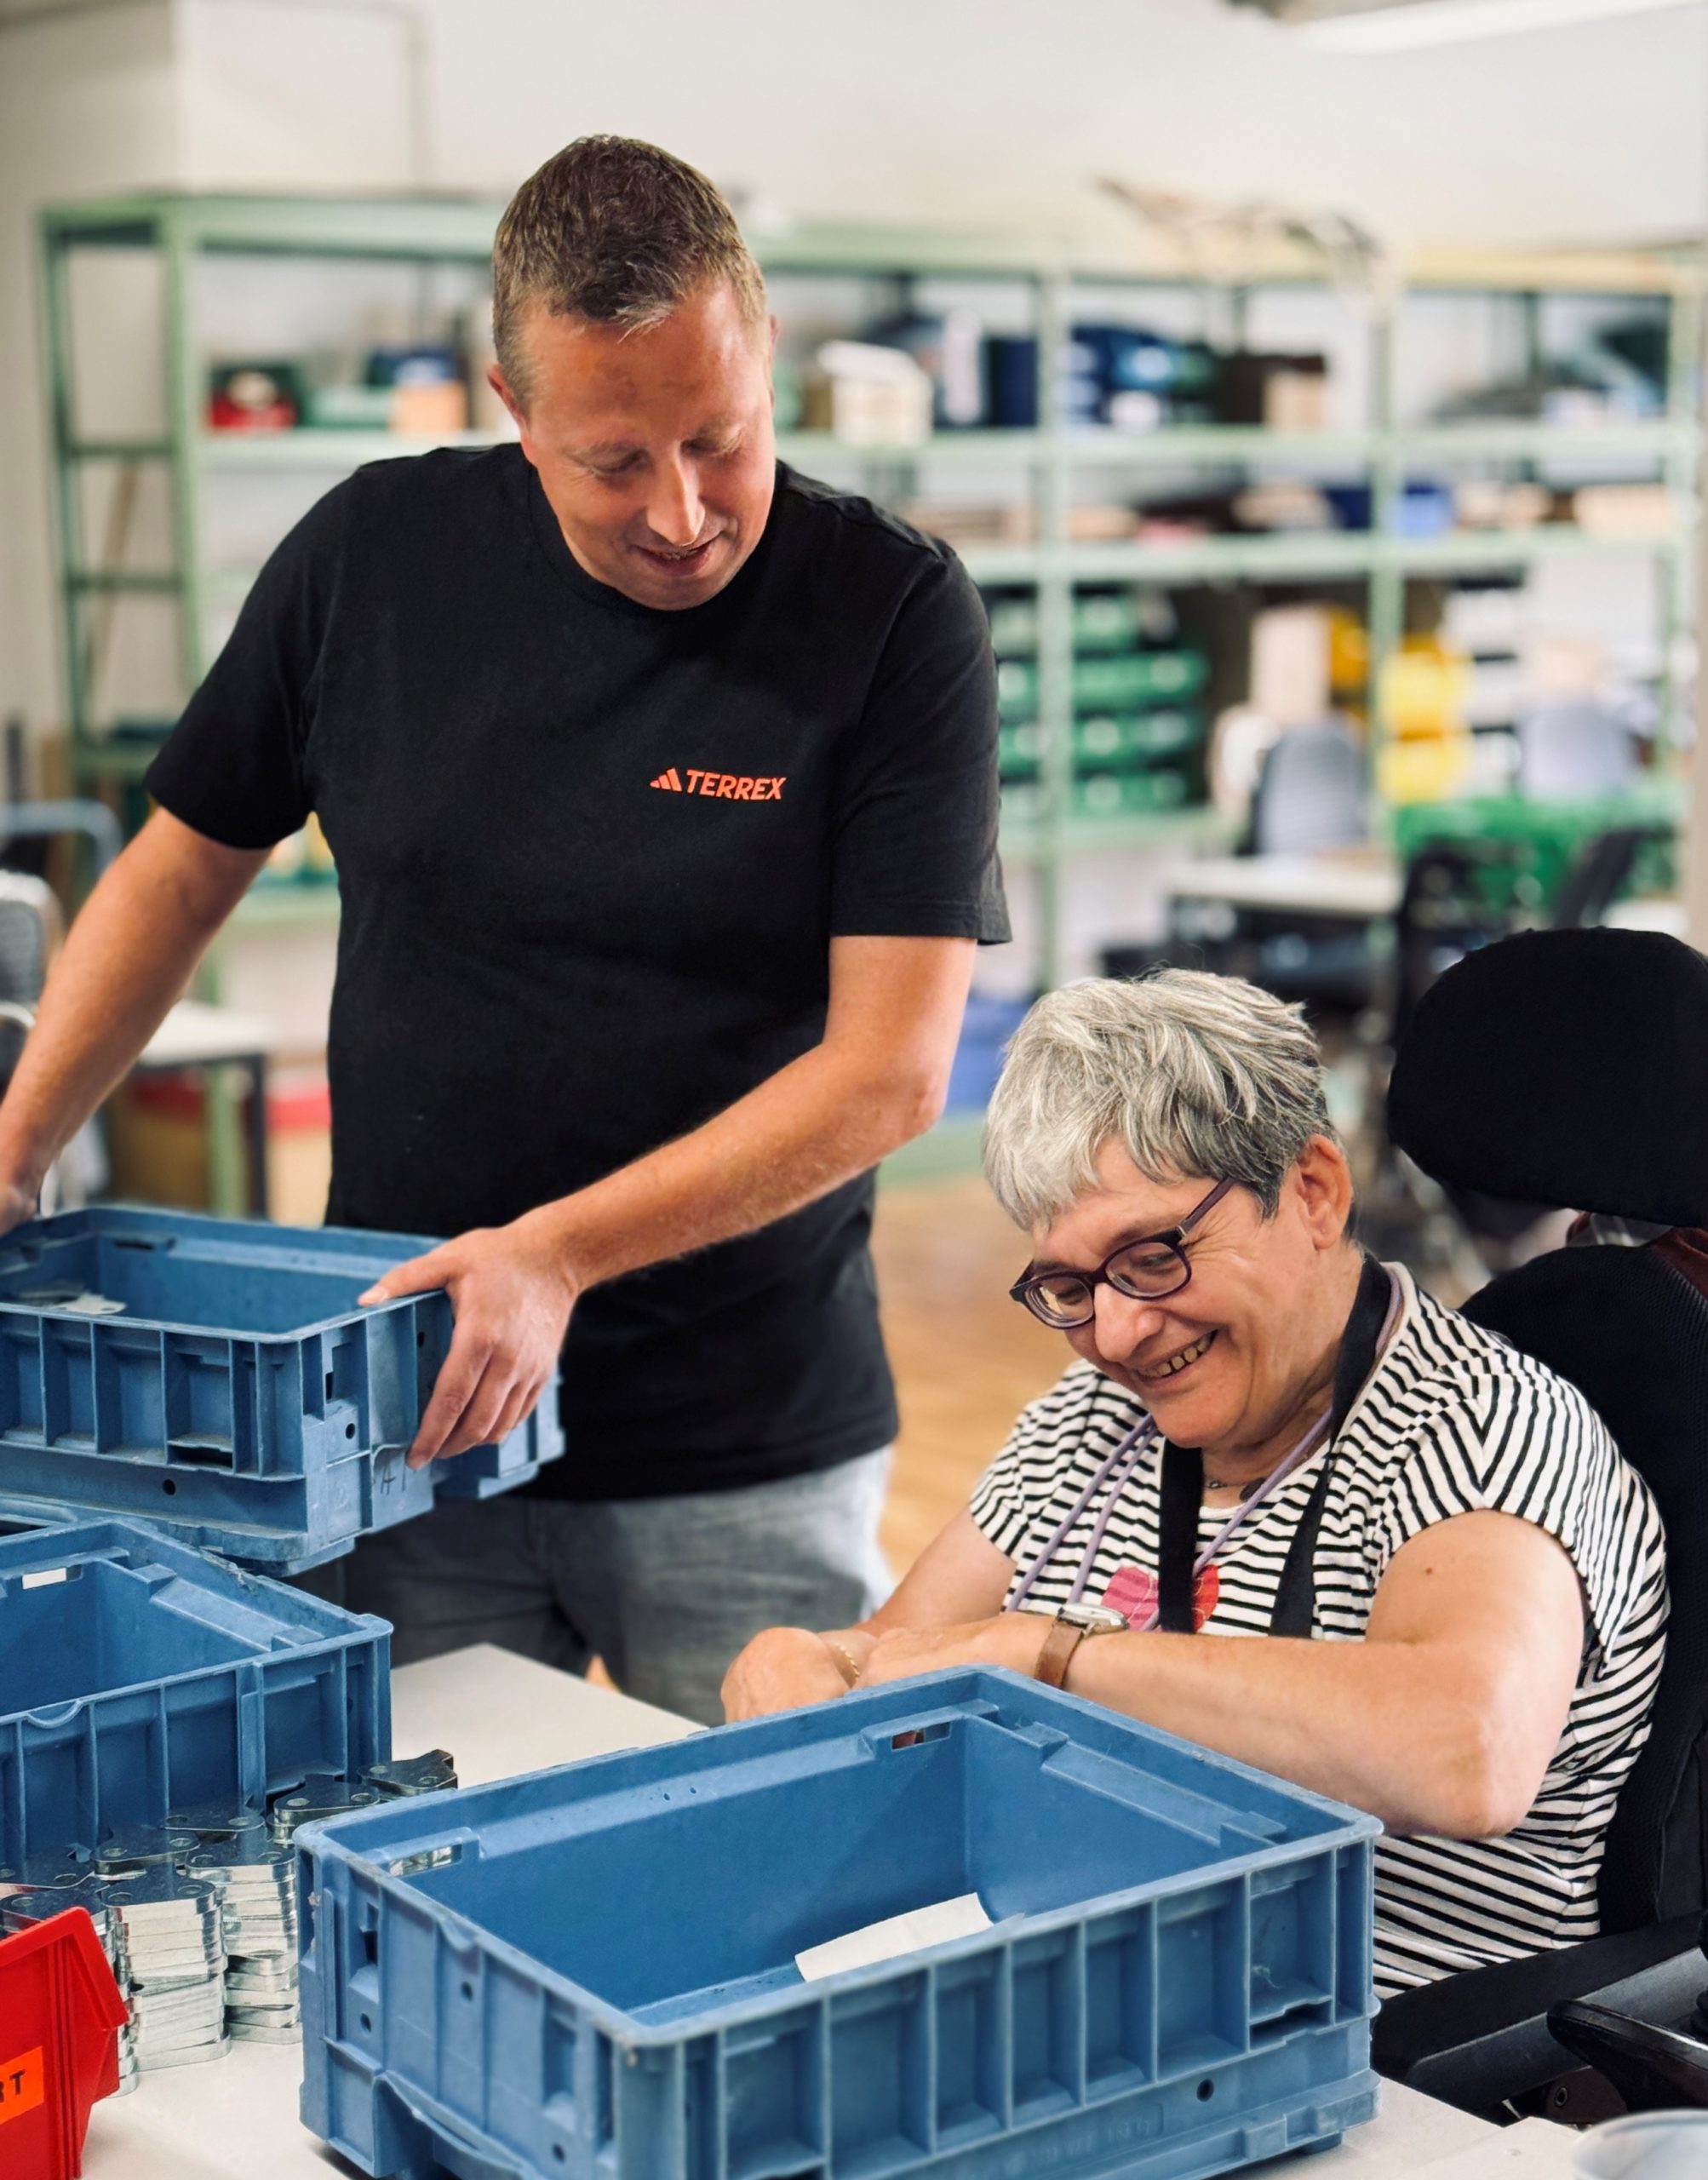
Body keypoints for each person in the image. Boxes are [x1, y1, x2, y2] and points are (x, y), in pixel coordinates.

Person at [0, 136, 1008, 1725]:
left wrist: (558, 1255)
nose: (683, 510)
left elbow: (890, 1072)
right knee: (416, 1840)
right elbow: (179, 869)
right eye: (615, 461)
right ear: (513, 409)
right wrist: (17, 1144)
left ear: (765, 356)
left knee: (762, 1857)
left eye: (721, 438)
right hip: (400, 1426)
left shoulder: (890, 613)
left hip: (737, 1447)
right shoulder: (370, 557)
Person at [722, 971, 1670, 1994]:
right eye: (1069, 1285)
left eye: (1151, 1256)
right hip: (1107, 1980)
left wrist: (1050, 1657)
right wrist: (811, 1659)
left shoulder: (1477, 1422)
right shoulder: (1096, 1418)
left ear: (1311, 1191)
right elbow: (898, 1654)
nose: (1117, 1331)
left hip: (1365, 2031)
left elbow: (1465, 1752)